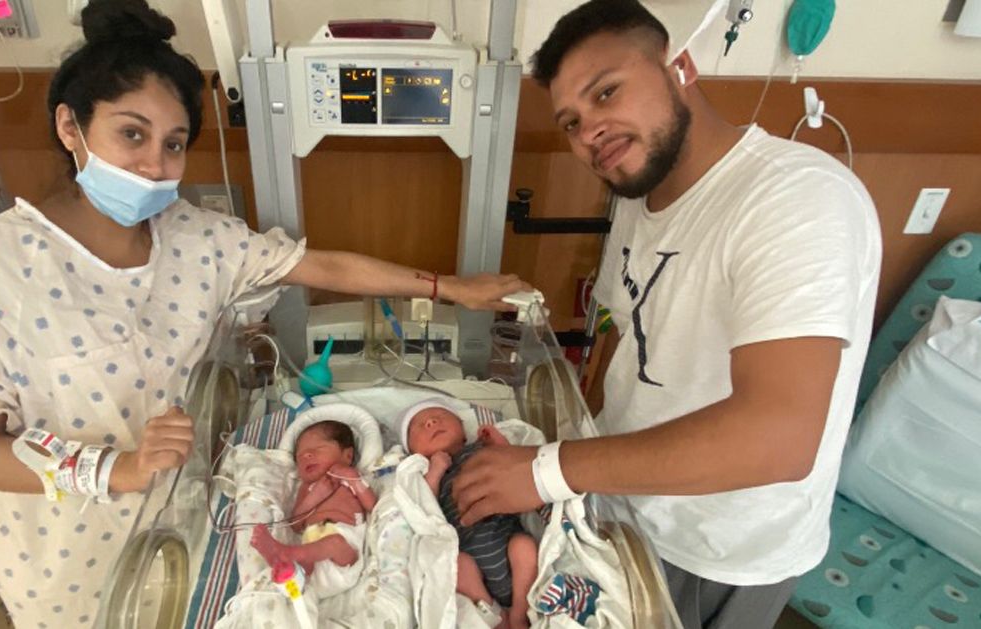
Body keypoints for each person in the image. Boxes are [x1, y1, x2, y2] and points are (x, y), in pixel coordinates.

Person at [0, 1, 526, 626]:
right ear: (70, 126)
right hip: (59, 549)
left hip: (179, 518)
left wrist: (451, 288)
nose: (154, 165)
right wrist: (118, 469)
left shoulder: (193, 236)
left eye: (174, 143)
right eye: (131, 134)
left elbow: (322, 267)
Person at [449, 2, 882, 628]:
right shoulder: (643, 195)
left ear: (681, 65)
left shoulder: (797, 200)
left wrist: (550, 470)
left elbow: (781, 438)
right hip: (624, 502)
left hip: (720, 545)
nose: (589, 131)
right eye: (571, 121)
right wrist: (569, 439)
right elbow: (628, 338)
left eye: (607, 92)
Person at [401, 398, 538, 629]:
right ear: (413, 452)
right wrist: (435, 471)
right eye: (419, 425)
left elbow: (515, 467)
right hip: (467, 549)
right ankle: (491, 611)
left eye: (440, 416)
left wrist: (498, 443)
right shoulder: (424, 472)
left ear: (463, 431)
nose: (431, 421)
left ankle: (519, 611)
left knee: (524, 546)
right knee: (456, 565)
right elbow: (425, 507)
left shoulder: (480, 451)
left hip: (505, 535)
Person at [249, 420, 375, 576]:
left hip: (346, 555)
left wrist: (353, 478)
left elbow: (372, 506)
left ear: (347, 455)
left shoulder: (350, 479)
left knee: (334, 543)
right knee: (314, 554)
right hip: (311, 548)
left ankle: (286, 555)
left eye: (318, 449)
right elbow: (295, 524)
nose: (307, 455)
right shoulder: (307, 487)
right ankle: (287, 565)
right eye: (300, 456)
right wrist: (315, 496)